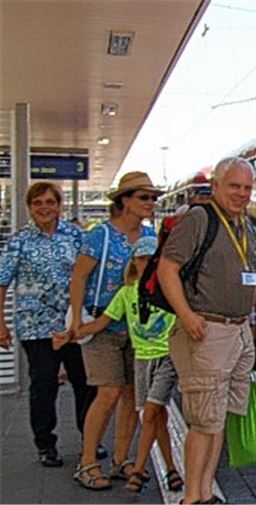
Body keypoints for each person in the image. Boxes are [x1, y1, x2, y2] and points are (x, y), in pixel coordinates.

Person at [158, 157, 256, 505]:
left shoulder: (244, 224)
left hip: (237, 331)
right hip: (206, 331)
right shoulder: (200, 219)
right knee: (203, 422)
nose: (241, 194)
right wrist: (186, 315)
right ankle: (190, 497)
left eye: (247, 188)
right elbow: (167, 269)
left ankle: (204, 493)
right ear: (215, 187)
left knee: (217, 421)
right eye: (234, 186)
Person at [55, 236, 183, 494]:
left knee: (150, 411)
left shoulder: (169, 289)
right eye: (142, 258)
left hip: (166, 359)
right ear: (133, 262)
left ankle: (137, 470)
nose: (147, 263)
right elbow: (102, 322)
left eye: (151, 259)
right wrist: (70, 333)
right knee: (154, 414)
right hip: (142, 359)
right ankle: (170, 469)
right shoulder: (126, 294)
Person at [69, 171, 161, 490]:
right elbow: (79, 277)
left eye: (153, 198)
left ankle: (122, 459)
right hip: (102, 325)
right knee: (107, 392)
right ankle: (87, 461)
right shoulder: (100, 236)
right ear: (125, 201)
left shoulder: (150, 235)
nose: (151, 203)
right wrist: (77, 320)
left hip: (139, 328)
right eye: (144, 197)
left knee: (131, 395)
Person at [0, 182, 94, 468]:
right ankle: (45, 445)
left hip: (73, 324)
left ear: (59, 205)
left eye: (50, 202)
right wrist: (0, 324)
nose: (44, 208)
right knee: (43, 385)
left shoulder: (76, 237)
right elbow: (2, 282)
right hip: (35, 325)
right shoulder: (18, 242)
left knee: (85, 383)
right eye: (38, 202)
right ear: (30, 207)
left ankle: (89, 442)